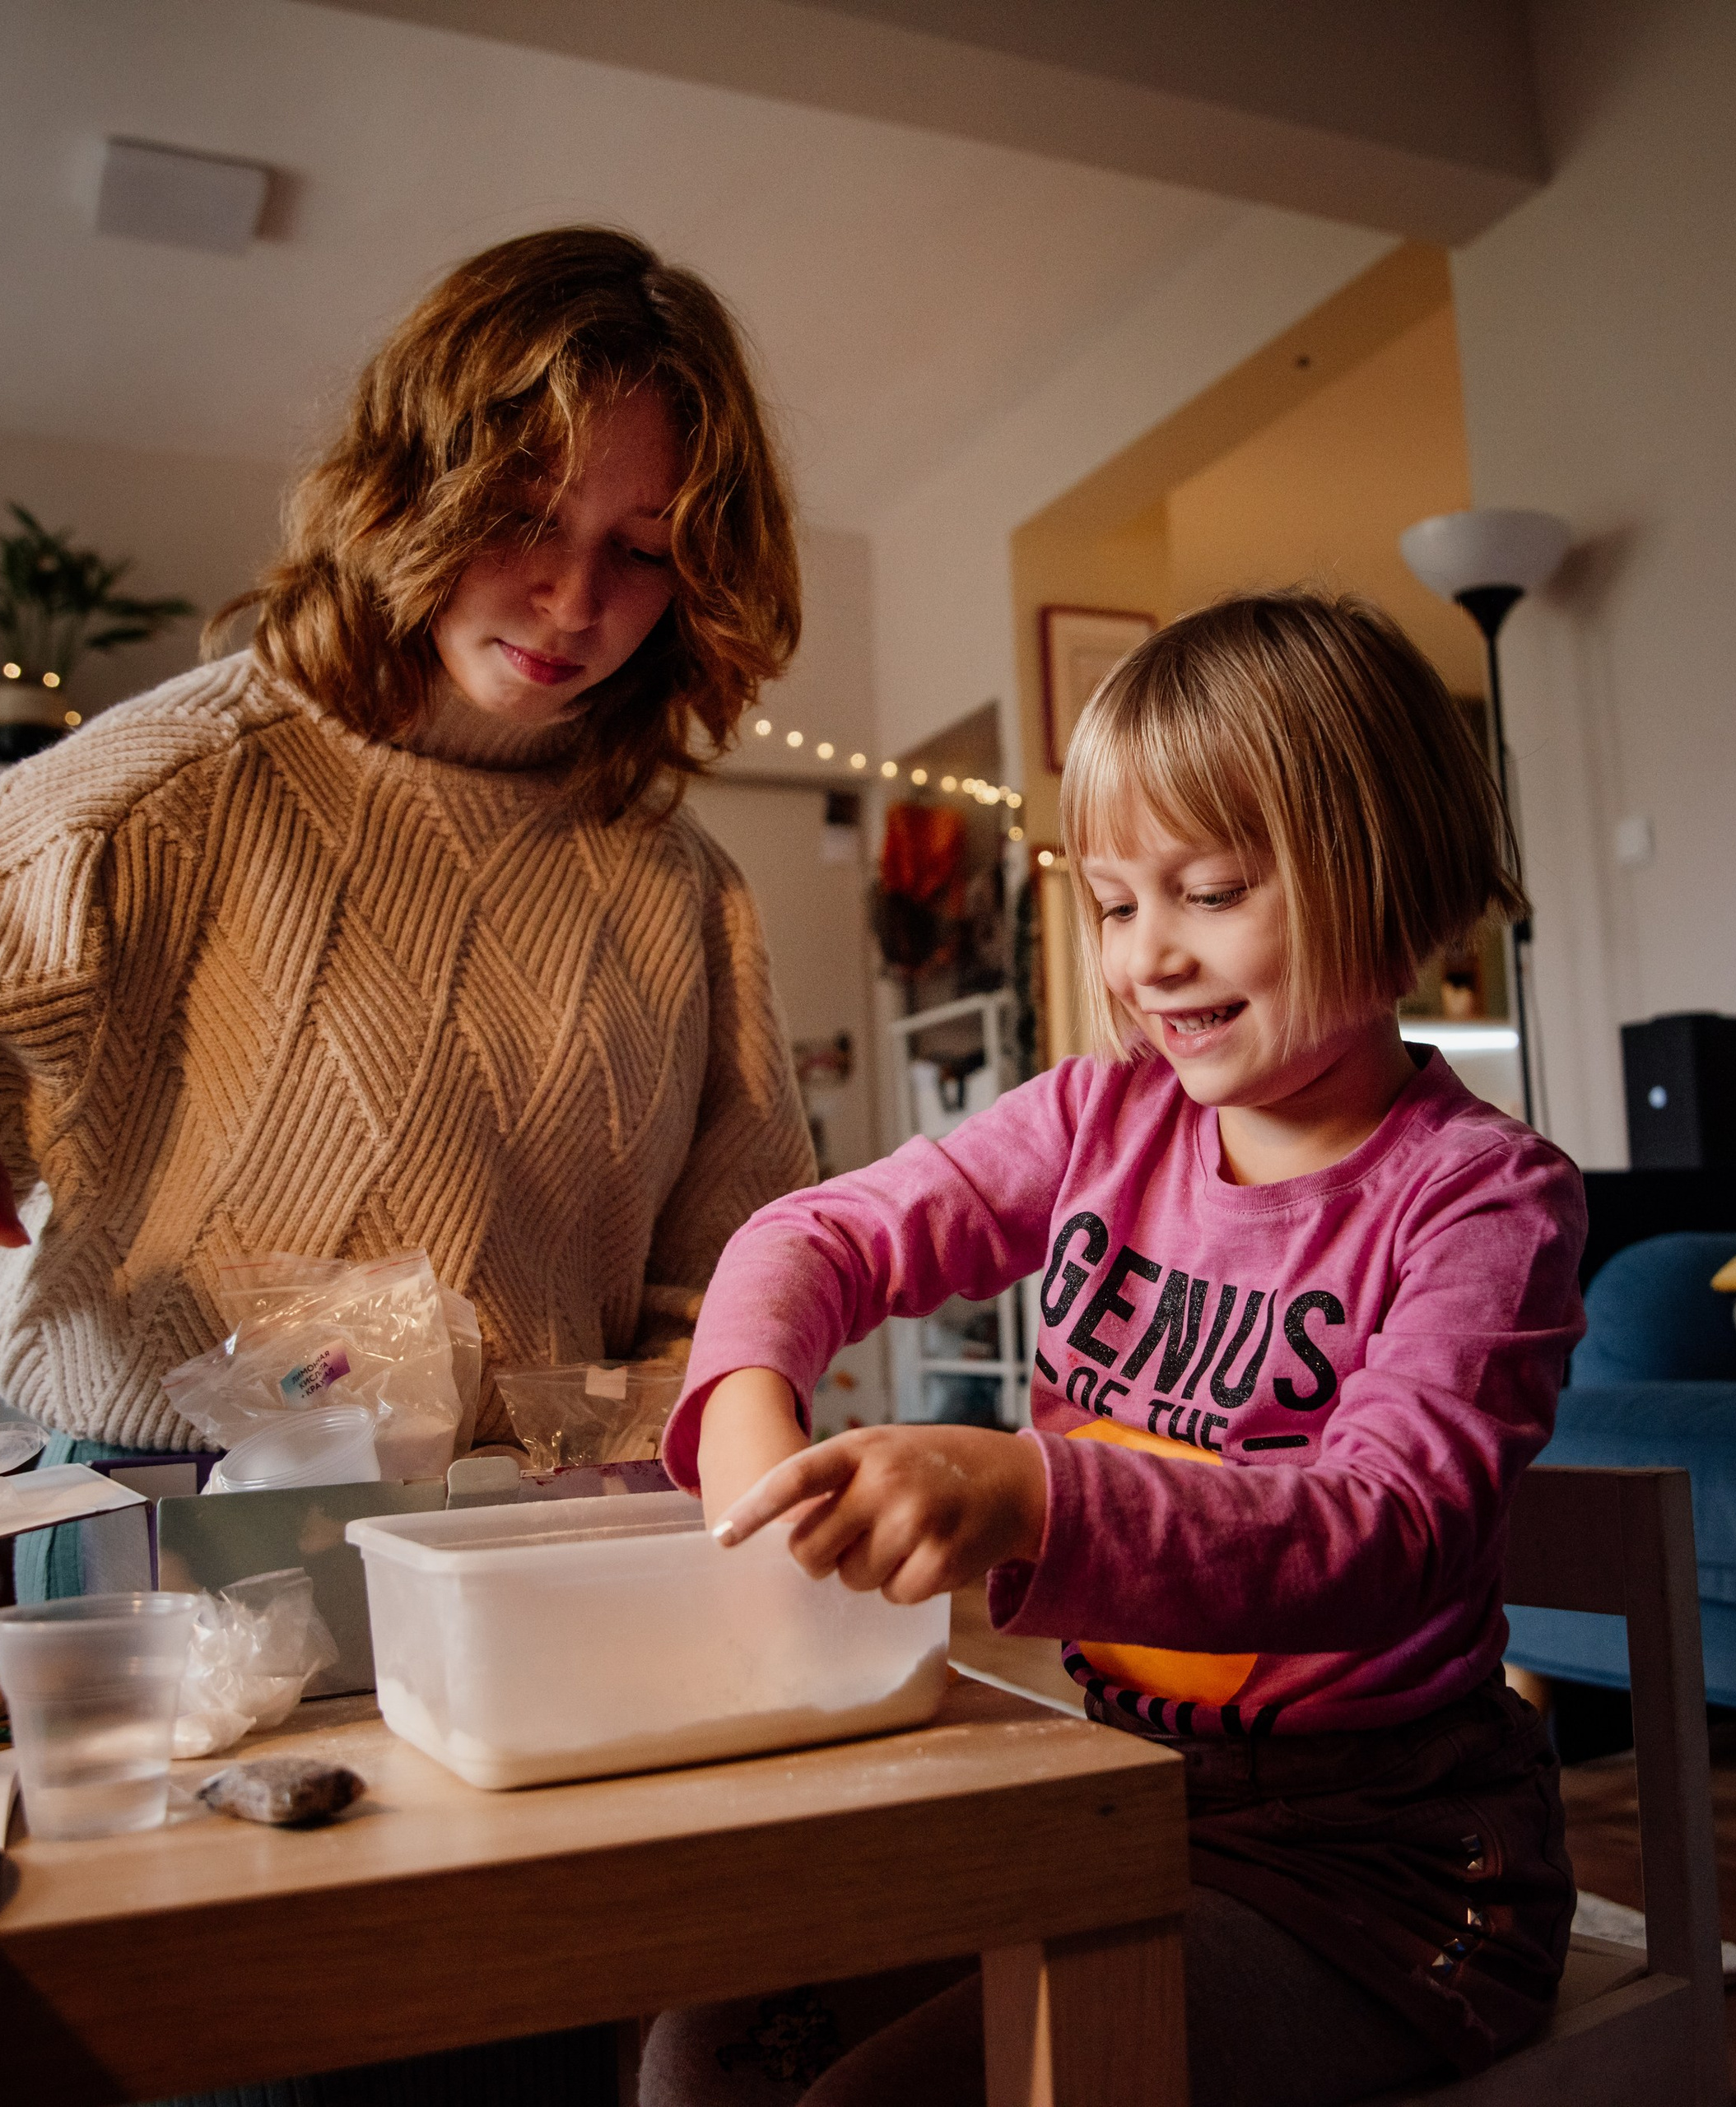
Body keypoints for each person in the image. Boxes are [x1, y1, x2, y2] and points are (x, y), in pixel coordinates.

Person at [646, 590, 1589, 2107]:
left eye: (1210, 890)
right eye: (1112, 902)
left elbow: (1392, 1529)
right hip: (1114, 1808)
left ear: (1398, 879)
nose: (1148, 956)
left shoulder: (1482, 1197)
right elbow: (806, 1239)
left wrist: (1031, 1494)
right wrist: (753, 1433)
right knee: (707, 2047)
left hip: (1390, 1889)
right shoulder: (1099, 1118)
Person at [0, 226, 814, 1596]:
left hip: (549, 1549)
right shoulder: (138, 806)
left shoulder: (682, 887)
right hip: (149, 1547)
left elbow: (741, 1273)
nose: (573, 600)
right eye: (523, 520)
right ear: (408, 490)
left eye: (642, 550)